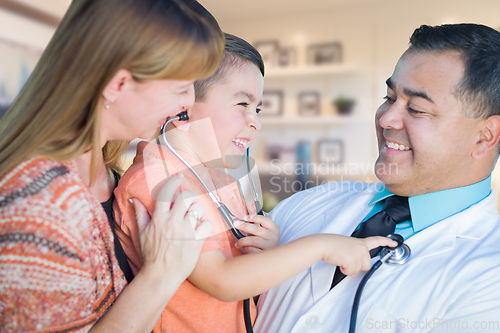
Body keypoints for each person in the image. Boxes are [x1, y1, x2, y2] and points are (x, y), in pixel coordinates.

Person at [113, 33, 397, 333]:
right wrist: (323, 246)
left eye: (257, 109)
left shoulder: (220, 177)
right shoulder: (158, 181)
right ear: (182, 108)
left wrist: (266, 250)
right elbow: (222, 280)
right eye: (242, 104)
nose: (255, 122)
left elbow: (241, 275)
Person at [255, 23, 500, 333]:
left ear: (484, 137)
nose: (386, 118)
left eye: (417, 109)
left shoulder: (490, 279)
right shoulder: (309, 203)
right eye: (389, 97)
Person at [0, 0, 225, 332]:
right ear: (117, 84)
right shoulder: (39, 211)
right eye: (181, 88)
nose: (189, 103)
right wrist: (162, 272)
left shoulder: (108, 170)